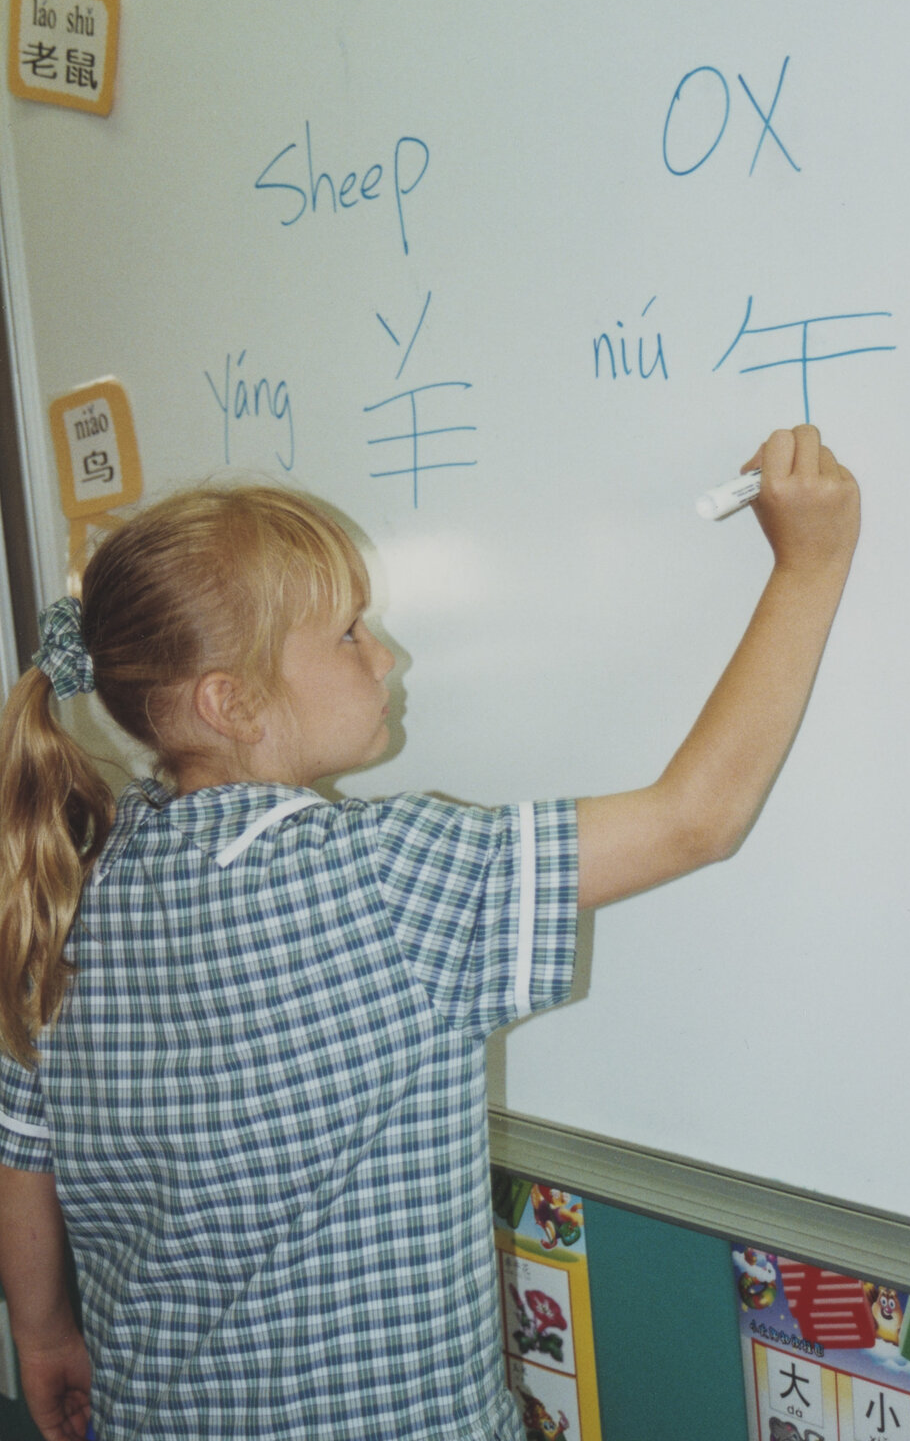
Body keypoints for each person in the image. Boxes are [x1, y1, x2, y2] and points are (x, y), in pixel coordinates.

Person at [0, 425, 859, 1441]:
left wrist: (46, 1337)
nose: (390, 653)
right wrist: (810, 563)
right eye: (351, 632)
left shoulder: (68, 889)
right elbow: (696, 816)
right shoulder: (387, 880)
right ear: (229, 702)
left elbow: (25, 1155)